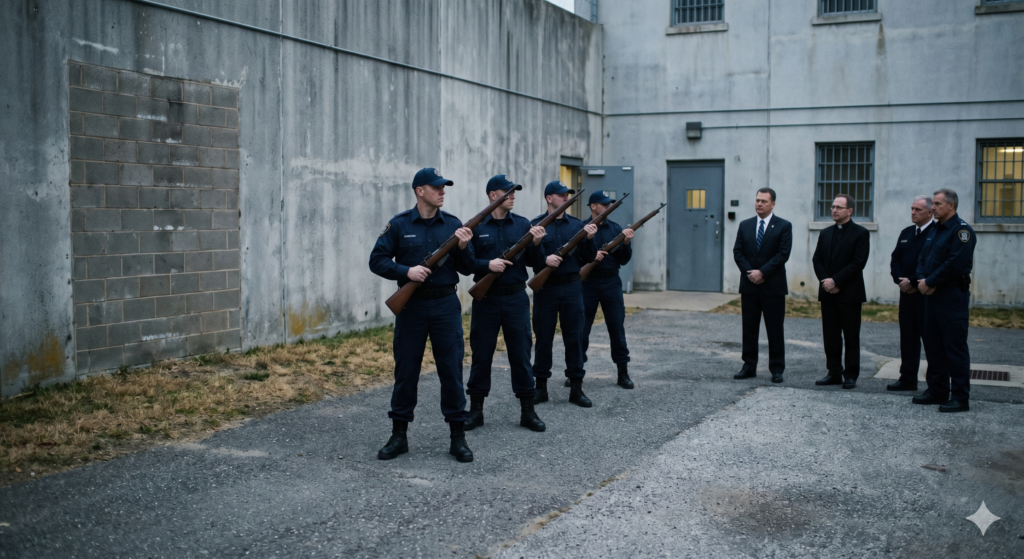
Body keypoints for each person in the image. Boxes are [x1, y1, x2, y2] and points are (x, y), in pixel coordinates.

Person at [368, 167, 476, 462]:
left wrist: (464, 246)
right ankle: (399, 436)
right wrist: (406, 271)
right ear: (420, 191)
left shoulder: (454, 225)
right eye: (437, 187)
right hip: (412, 307)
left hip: (445, 306)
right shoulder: (399, 224)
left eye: (444, 187)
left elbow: (468, 268)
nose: (442, 191)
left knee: (451, 372)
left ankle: (458, 437)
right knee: (406, 372)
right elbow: (376, 260)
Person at [465, 174, 547, 432]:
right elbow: (466, 264)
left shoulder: (523, 224)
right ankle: (476, 411)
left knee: (521, 354)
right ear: (493, 195)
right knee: (481, 355)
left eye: (514, 192)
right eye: (507, 192)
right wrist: (487, 265)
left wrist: (536, 243)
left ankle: (528, 411)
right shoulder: (476, 225)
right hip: (486, 299)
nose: (512, 197)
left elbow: (537, 262)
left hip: (515, 298)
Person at [531, 180, 601, 407]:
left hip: (571, 286)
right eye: (561, 195)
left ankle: (576, 388)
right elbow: (529, 260)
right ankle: (540, 388)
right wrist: (543, 257)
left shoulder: (578, 225)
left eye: (567, 195)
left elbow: (589, 257)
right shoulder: (536, 225)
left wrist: (589, 239)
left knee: (575, 338)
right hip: (547, 288)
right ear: (549, 198)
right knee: (544, 338)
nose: (565, 198)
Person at [912, 189, 976, 413]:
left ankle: (960, 397)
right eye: (933, 204)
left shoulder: (961, 231)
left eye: (938, 204)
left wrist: (930, 281)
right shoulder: (935, 229)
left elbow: (955, 263)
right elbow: (922, 257)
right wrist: (922, 280)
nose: (933, 208)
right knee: (933, 345)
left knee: (954, 347)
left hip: (951, 296)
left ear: (951, 206)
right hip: (931, 295)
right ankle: (937, 390)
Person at [732, 188, 793, 384]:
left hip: (772, 286)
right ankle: (749, 366)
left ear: (772, 204)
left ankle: (777, 369)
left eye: (764, 201)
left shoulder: (783, 226)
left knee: (775, 329)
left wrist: (762, 272)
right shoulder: (745, 225)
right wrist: (751, 273)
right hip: (749, 285)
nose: (759, 204)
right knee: (749, 328)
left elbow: (783, 254)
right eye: (757, 200)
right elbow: (738, 252)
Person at [812, 194, 870, 389]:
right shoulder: (825, 233)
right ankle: (834, 372)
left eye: (839, 207)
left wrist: (836, 281)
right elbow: (817, 260)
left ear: (850, 211)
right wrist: (826, 281)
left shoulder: (861, 233)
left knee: (851, 336)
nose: (834, 210)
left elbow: (858, 262)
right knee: (830, 336)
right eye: (833, 207)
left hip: (849, 293)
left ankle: (851, 375)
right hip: (827, 292)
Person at [580, 191, 637, 389]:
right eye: (604, 204)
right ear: (593, 206)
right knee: (582, 329)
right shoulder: (582, 228)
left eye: (609, 204)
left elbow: (623, 259)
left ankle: (623, 373)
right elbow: (576, 256)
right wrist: (591, 254)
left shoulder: (615, 228)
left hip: (611, 282)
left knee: (616, 328)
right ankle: (576, 371)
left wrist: (627, 243)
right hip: (588, 283)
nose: (607, 207)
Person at [887, 195, 935, 392]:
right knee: (908, 338)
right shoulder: (907, 232)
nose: (913, 212)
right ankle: (907, 379)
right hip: (906, 293)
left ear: (930, 212)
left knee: (930, 339)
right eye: (912, 209)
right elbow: (895, 260)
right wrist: (901, 281)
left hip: (926, 294)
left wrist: (913, 281)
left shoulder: (936, 233)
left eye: (918, 210)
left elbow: (932, 263)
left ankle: (934, 384)